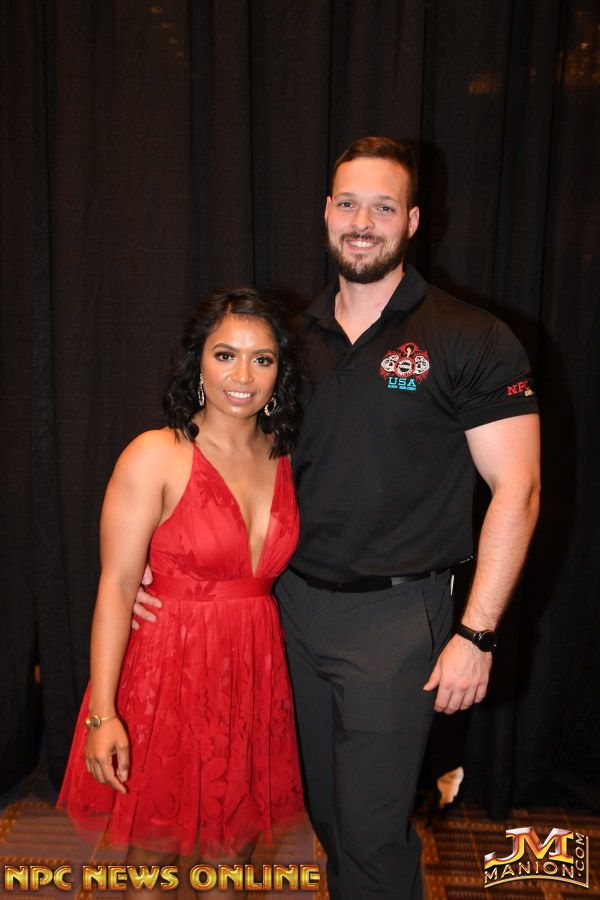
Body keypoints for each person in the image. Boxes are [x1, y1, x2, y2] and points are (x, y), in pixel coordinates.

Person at [134, 138, 540, 899]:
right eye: (348, 203)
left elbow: (517, 490)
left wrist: (478, 633)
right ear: (326, 212)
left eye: (383, 207)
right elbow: (214, 459)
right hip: (287, 608)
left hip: (397, 618)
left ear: (412, 221)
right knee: (323, 816)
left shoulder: (471, 337)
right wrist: (156, 571)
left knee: (372, 834)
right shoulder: (285, 341)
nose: (362, 222)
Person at [58, 288, 305, 891]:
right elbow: (117, 587)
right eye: (225, 355)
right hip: (168, 673)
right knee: (152, 861)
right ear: (197, 362)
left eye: (262, 359)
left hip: (252, 674)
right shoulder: (156, 454)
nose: (242, 376)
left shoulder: (287, 457)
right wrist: (102, 714)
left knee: (234, 859)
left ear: (281, 372)